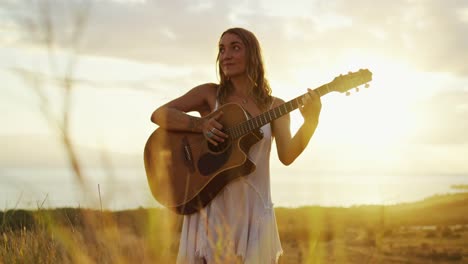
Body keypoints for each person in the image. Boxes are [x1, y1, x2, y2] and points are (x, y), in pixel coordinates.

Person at [151, 27, 322, 264]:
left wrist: (311, 122)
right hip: (212, 210)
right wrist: (200, 125)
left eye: (235, 47)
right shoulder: (210, 95)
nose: (226, 55)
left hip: (254, 214)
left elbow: (287, 155)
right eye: (222, 49)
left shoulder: (276, 107)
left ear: (252, 55)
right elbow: (160, 114)